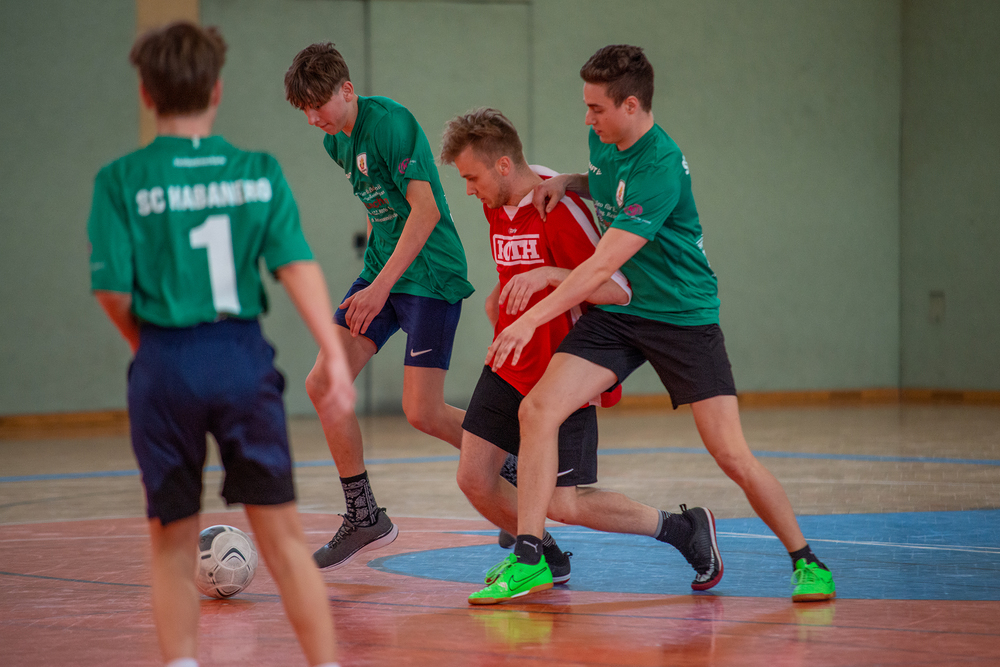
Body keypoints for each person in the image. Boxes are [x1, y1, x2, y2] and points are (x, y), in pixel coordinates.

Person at [481, 45, 836, 604]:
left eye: (596, 108)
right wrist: (571, 180)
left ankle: (806, 560)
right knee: (538, 410)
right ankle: (529, 556)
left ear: (631, 105)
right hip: (622, 314)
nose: (587, 119)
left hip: (681, 318)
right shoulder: (605, 142)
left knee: (731, 454)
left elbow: (600, 266)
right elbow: (608, 185)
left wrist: (531, 319)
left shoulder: (661, 166)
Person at [88, 22, 352, 667]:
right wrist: (335, 354)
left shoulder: (120, 179)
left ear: (146, 94)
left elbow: (112, 292)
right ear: (217, 90)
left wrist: (153, 347)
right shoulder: (256, 172)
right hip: (240, 360)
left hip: (163, 361)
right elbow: (296, 267)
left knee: (171, 544)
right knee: (284, 541)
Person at [440, 108, 724, 605]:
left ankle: (683, 529)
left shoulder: (560, 208)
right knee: (474, 478)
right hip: (509, 360)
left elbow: (618, 288)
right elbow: (514, 271)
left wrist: (550, 275)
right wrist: (502, 304)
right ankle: (541, 557)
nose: (468, 190)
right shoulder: (496, 203)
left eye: (472, 178)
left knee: (565, 504)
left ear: (503, 165)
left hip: (559, 369)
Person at [283, 43, 475, 570]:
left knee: (423, 413)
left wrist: (379, 287)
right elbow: (378, 205)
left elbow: (424, 211)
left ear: (347, 90)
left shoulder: (391, 123)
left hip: (430, 273)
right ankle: (364, 515)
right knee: (323, 384)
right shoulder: (336, 142)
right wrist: (372, 277)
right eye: (304, 110)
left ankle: (511, 464)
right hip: (383, 272)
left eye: (318, 105)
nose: (313, 119)